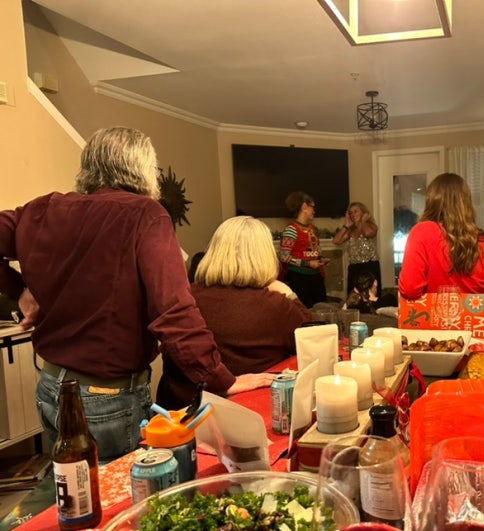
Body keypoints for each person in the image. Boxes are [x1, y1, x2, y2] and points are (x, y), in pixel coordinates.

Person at [0, 126, 257, 462]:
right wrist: (220, 378)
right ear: (142, 168)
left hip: (51, 386)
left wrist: (19, 289)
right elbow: (174, 312)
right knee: (119, 491)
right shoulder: (145, 214)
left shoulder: (41, 209)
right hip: (107, 399)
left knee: (77, 487)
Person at [158, 216, 312, 408]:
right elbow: (312, 340)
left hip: (176, 412)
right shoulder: (277, 305)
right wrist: (290, 295)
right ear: (265, 256)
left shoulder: (184, 298)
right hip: (249, 412)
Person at [398, 173, 484, 299]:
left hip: (434, 311)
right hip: (476, 311)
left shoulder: (422, 231)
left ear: (432, 201)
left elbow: (410, 290)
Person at [278, 191, 329, 308]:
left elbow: (313, 250)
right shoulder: (291, 230)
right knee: (303, 311)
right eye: (312, 207)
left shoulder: (313, 228)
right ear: (304, 207)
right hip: (299, 278)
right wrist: (308, 263)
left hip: (315, 277)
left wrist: (320, 259)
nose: (314, 211)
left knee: (321, 308)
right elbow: (283, 256)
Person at [332, 202, 382, 294]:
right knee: (353, 297)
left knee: (371, 296)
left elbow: (367, 233)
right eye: (351, 213)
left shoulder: (372, 226)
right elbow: (336, 241)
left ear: (363, 213)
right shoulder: (351, 230)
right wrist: (346, 225)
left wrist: (363, 222)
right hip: (354, 268)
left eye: (356, 211)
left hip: (370, 267)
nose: (353, 215)